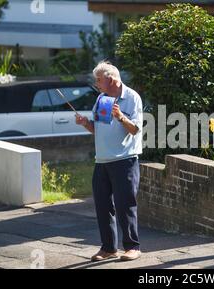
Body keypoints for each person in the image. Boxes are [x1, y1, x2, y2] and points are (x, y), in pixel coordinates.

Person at [75, 61, 143, 261]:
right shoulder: (101, 98)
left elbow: (136, 129)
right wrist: (86, 123)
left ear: (111, 79)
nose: (96, 83)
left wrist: (121, 116)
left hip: (125, 160)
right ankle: (108, 248)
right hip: (102, 160)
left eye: (99, 80)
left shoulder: (132, 98)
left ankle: (133, 247)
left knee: (125, 205)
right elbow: (99, 129)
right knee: (103, 206)